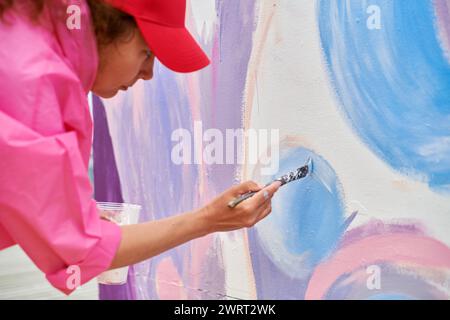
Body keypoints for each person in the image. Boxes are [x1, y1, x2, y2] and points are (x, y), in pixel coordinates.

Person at [0, 0, 281, 295]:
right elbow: (80, 252)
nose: (148, 73)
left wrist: (68, 212)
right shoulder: (38, 88)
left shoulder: (25, 35)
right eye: (146, 52)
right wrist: (207, 219)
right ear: (105, 25)